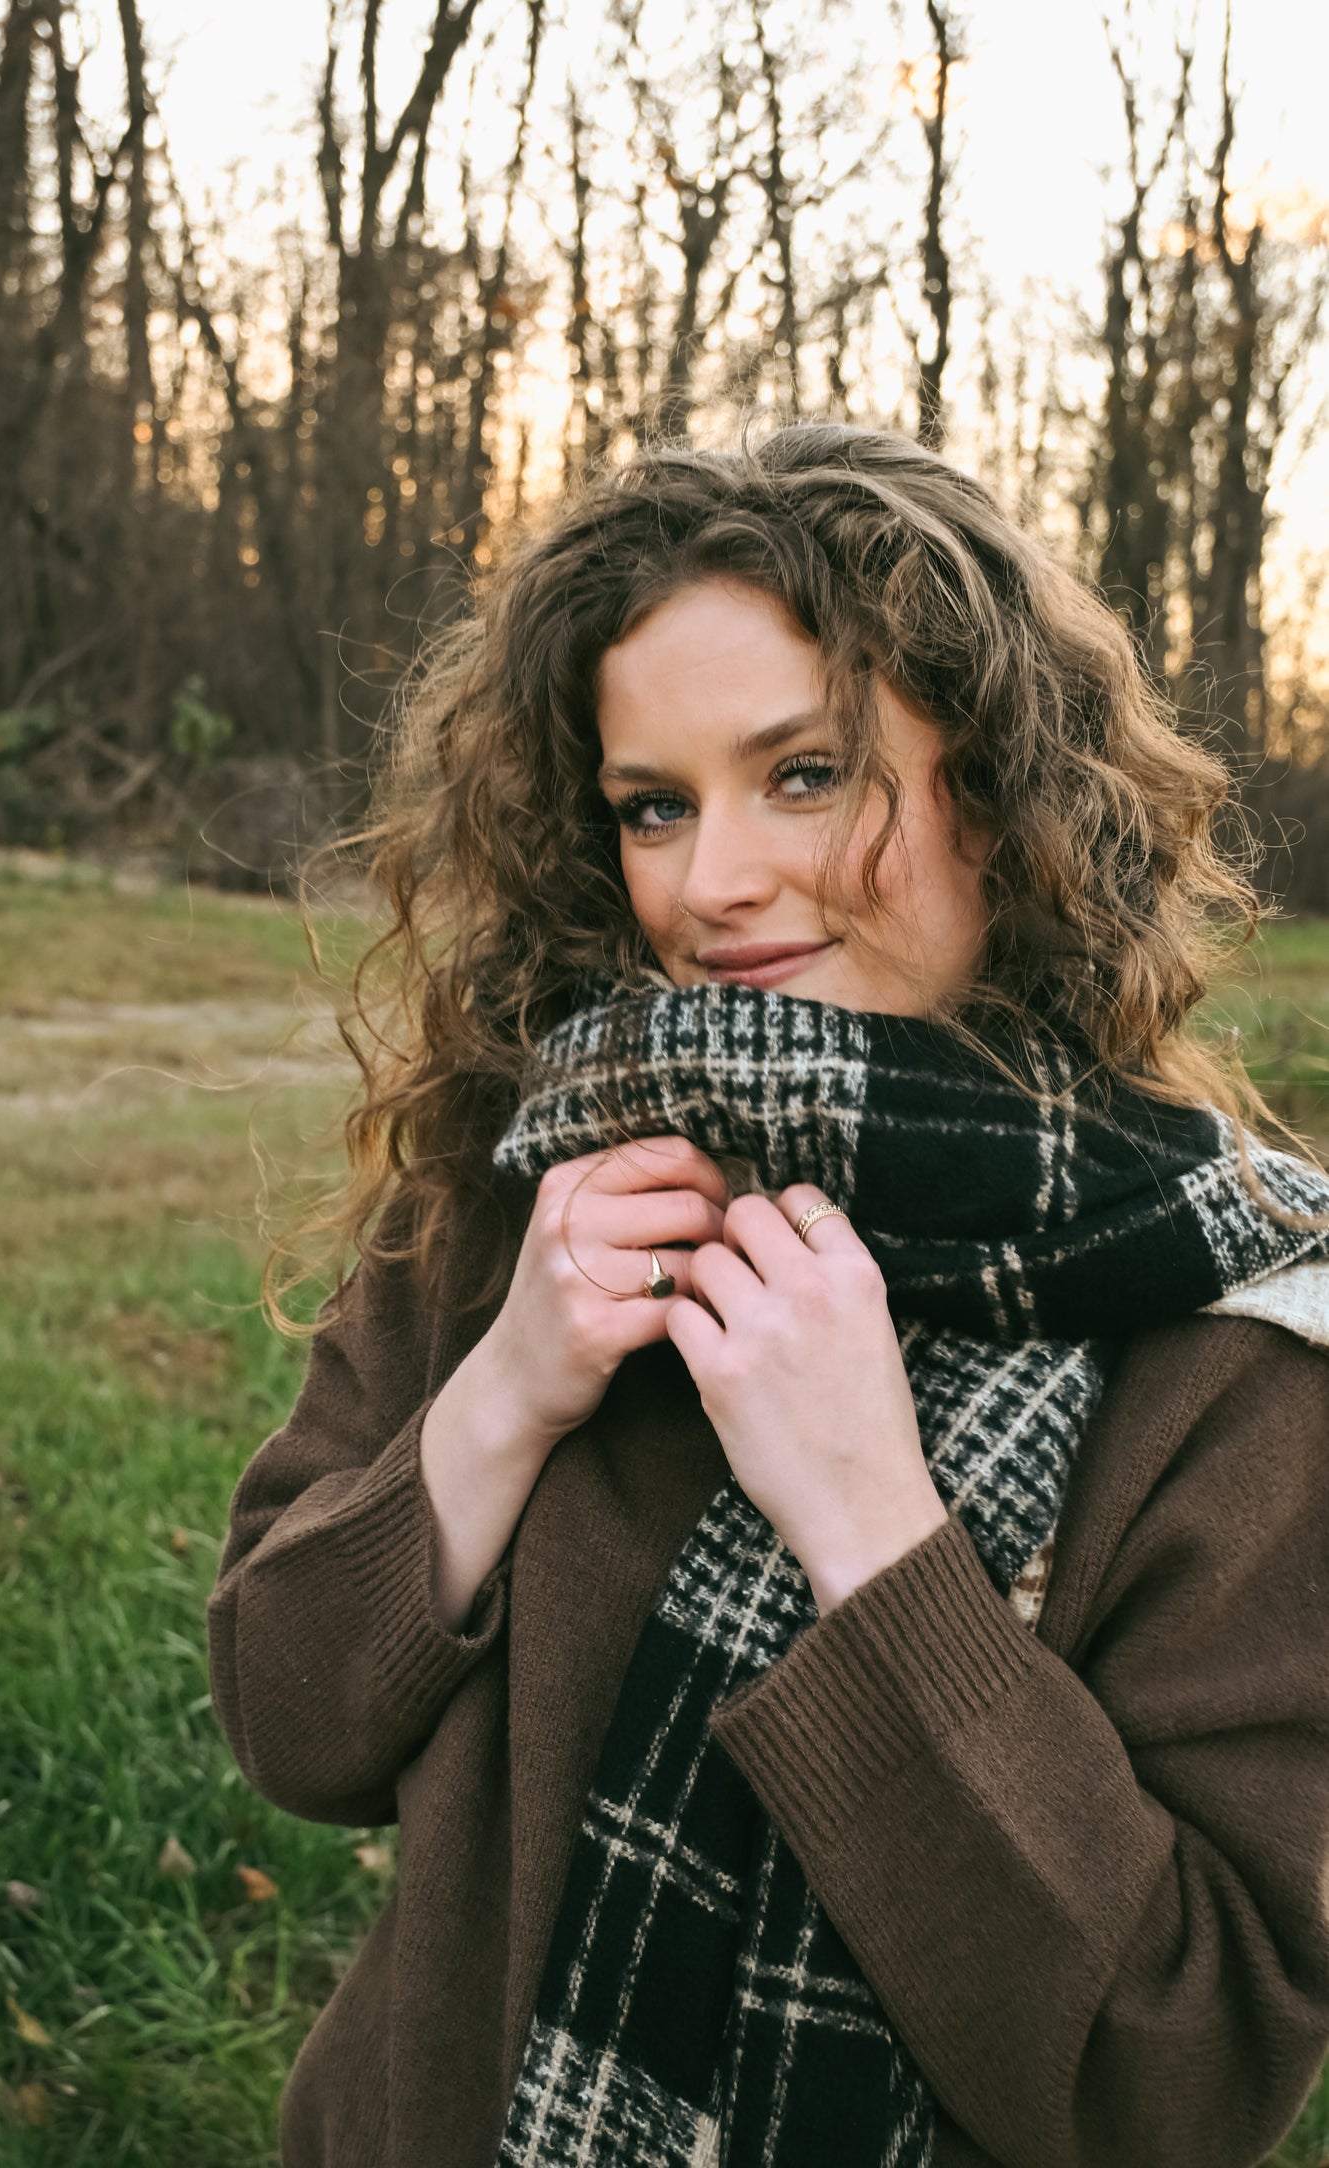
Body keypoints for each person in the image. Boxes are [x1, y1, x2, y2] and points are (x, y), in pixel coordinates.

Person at [208, 422, 1329, 2168]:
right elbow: (293, 1733)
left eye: (803, 775)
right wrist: (500, 1399)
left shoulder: (1227, 1352)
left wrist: (875, 1534)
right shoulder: (523, 1194)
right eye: (653, 804)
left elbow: (1166, 2083)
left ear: (1001, 785)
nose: (709, 883)